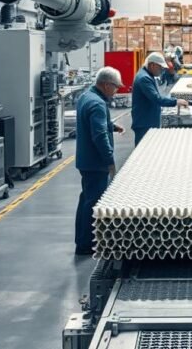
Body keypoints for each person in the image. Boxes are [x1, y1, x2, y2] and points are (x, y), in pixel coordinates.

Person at [74, 67, 125, 256]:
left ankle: (81, 239)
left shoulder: (87, 97)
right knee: (93, 202)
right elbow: (99, 135)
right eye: (115, 87)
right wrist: (110, 161)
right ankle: (86, 245)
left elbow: (98, 126)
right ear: (105, 84)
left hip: (85, 161)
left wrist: (112, 126)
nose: (116, 91)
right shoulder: (97, 104)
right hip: (95, 163)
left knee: (86, 199)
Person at [132, 52, 189, 146]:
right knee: (143, 150)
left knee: (149, 149)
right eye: (160, 67)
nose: (162, 70)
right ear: (152, 65)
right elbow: (156, 99)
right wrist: (176, 101)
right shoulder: (144, 78)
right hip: (145, 122)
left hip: (147, 120)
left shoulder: (147, 75)